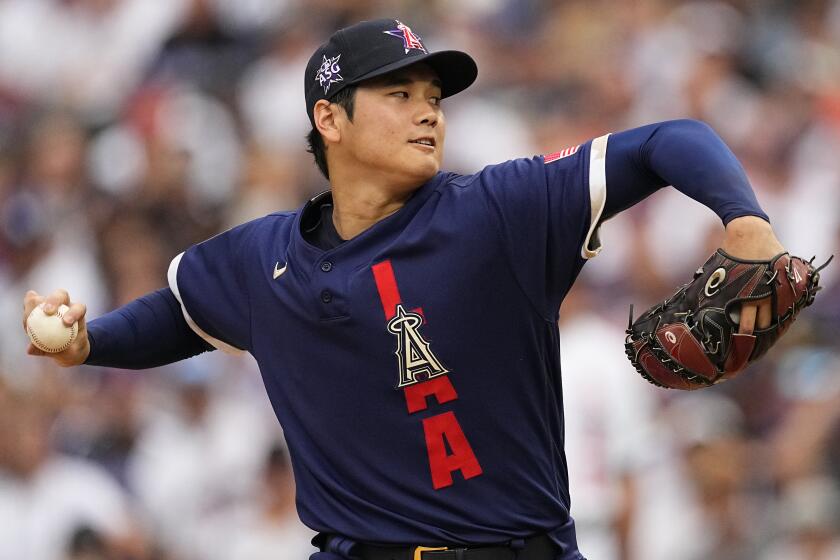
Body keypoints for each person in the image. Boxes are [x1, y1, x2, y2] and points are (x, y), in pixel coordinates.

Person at [23, 18, 786, 560]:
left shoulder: (500, 212)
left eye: (433, 94)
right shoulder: (262, 259)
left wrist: (744, 219)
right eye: (398, 93)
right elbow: (180, 314)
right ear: (330, 118)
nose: (428, 109)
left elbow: (666, 141)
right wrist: (91, 343)